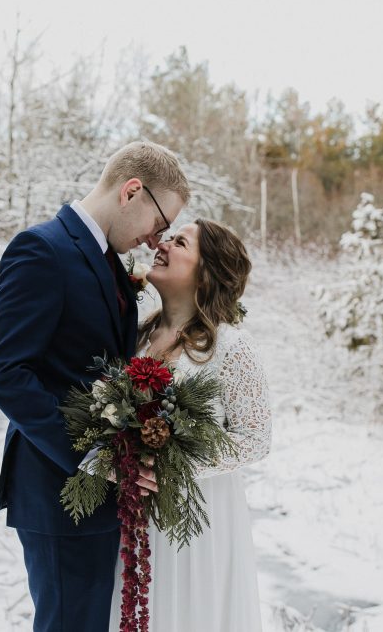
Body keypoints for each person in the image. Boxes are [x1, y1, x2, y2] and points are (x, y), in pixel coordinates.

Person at [0, 141, 189, 632]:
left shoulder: (110, 262)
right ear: (131, 191)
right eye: (160, 223)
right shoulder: (42, 250)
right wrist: (96, 456)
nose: (154, 239)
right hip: (58, 490)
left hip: (100, 499)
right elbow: (4, 372)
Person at [108, 219, 272, 631]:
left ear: (205, 274)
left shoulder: (230, 347)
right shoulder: (138, 335)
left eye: (179, 242)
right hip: (133, 519)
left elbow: (255, 439)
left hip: (196, 523)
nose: (162, 244)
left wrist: (171, 465)